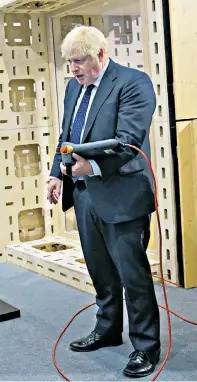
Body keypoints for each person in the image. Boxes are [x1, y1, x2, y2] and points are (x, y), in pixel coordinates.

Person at [46, 25, 160, 378]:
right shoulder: (72, 88)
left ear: (100, 54)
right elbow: (67, 134)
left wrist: (92, 165)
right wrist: (56, 171)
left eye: (79, 61)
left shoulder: (133, 83)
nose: (73, 69)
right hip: (84, 195)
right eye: (69, 63)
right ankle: (108, 329)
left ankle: (146, 347)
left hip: (122, 195)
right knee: (100, 270)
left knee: (132, 274)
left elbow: (129, 141)